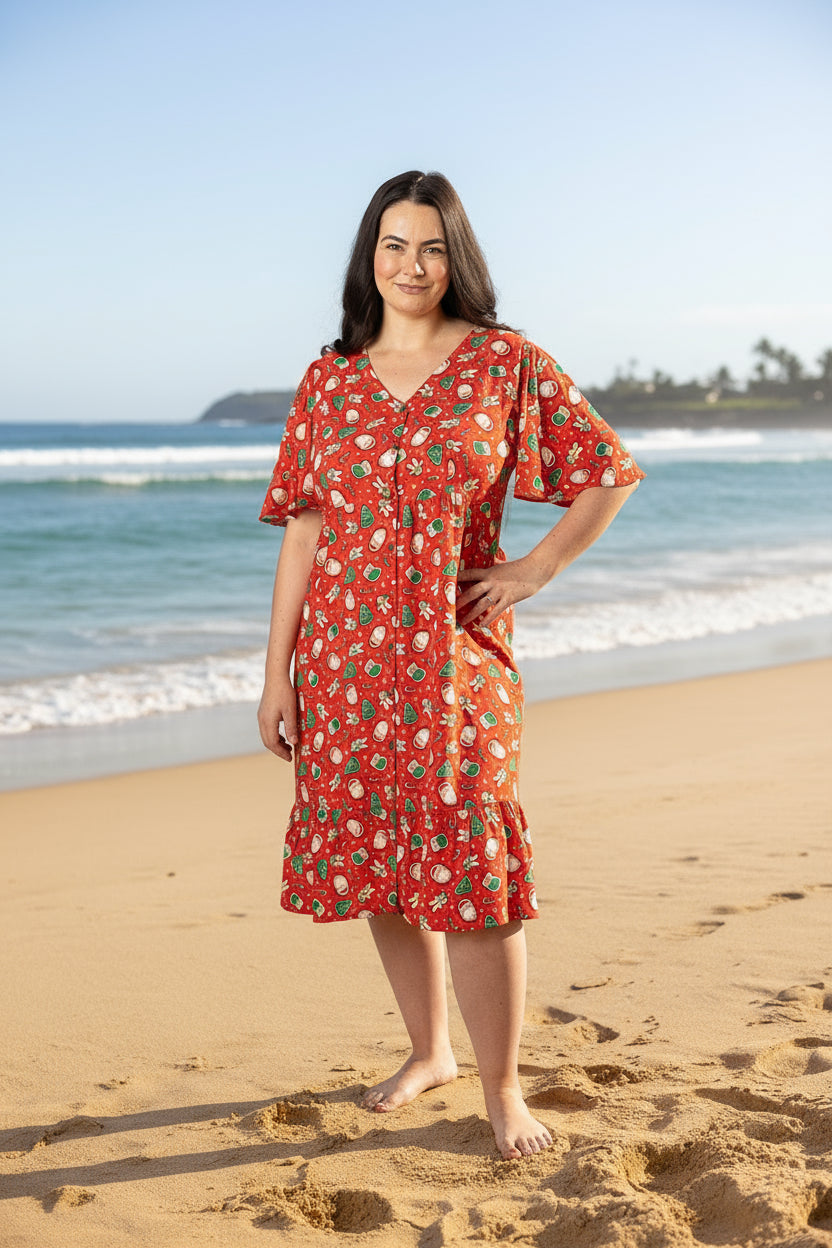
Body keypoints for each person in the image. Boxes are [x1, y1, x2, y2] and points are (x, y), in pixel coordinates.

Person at [257, 170, 645, 1160]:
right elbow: (303, 533)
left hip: (455, 665)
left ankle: (503, 1088)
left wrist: (536, 567)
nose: (412, 265)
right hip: (341, 667)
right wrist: (276, 676)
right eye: (394, 245)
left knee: (470, 866)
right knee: (384, 866)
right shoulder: (329, 378)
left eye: (431, 247)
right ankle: (429, 1050)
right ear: (368, 256)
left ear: (455, 258)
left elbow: (606, 471)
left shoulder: (503, 363)